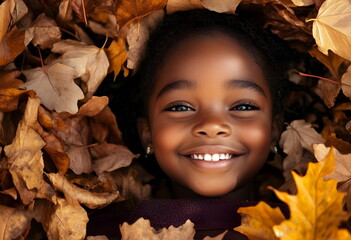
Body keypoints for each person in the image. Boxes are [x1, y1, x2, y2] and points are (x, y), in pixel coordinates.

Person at [88, 9, 293, 240]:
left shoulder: (315, 227)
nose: (212, 125)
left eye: (243, 106)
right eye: (181, 108)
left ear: (274, 131)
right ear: (147, 134)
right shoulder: (96, 231)